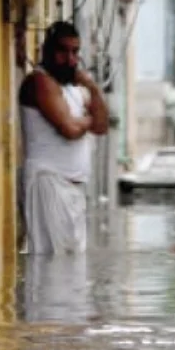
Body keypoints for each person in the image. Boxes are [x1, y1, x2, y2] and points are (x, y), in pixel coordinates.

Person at [18, 21, 109, 254]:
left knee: (72, 273)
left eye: (75, 52)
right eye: (62, 51)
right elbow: (68, 129)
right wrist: (84, 121)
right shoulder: (39, 81)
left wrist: (92, 87)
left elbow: (101, 125)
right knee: (51, 269)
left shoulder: (76, 89)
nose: (70, 59)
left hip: (74, 189)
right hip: (48, 182)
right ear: (47, 51)